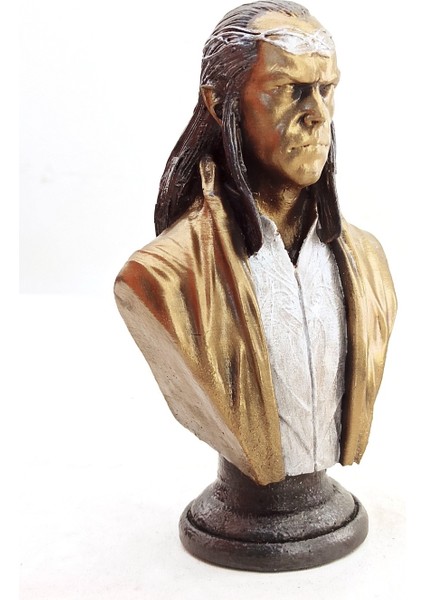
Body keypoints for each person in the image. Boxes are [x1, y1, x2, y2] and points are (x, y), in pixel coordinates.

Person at [114, 1, 397, 486]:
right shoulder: (164, 277)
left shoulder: (368, 262)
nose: (317, 115)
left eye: (326, 89)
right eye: (288, 90)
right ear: (218, 103)